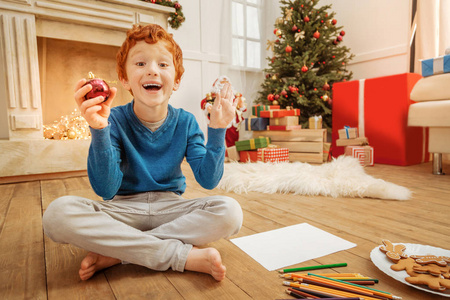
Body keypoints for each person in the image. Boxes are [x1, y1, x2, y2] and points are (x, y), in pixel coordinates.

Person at [42, 24, 243, 282]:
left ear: (177, 80)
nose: (152, 70)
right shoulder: (112, 119)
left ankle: (122, 252)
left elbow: (208, 180)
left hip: (170, 208)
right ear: (124, 79)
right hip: (123, 211)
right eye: (140, 64)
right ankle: (179, 256)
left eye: (162, 64)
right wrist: (99, 130)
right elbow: (106, 189)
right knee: (57, 215)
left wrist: (217, 129)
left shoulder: (187, 122)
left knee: (231, 212)